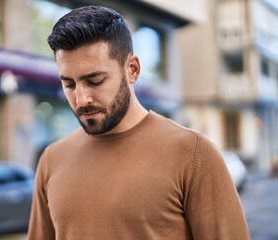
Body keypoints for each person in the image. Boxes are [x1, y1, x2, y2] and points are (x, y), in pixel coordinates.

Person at [28, 5, 250, 240]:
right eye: (69, 84)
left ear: (132, 70)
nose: (81, 99)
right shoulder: (51, 160)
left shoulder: (194, 154)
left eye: (95, 81)